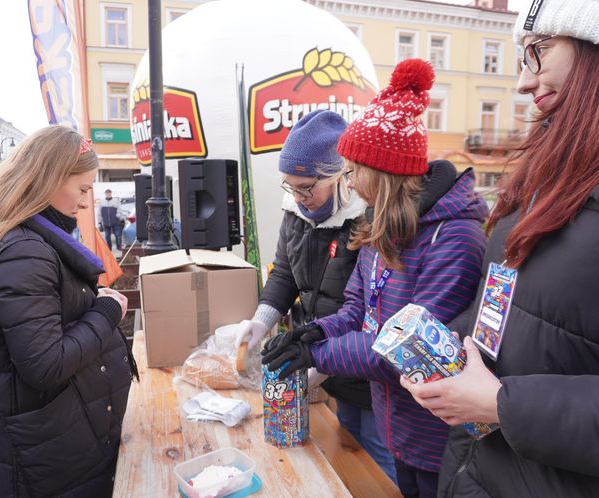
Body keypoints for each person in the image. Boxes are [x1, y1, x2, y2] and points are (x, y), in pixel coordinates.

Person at [262, 59, 488, 498]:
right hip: (396, 424)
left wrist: (316, 354)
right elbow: (354, 310)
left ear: (380, 171)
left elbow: (403, 349)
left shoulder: (454, 237)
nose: (351, 182)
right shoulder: (381, 228)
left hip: (440, 437)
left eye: (352, 171)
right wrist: (310, 333)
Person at [400, 2, 599, 496]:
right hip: (478, 468)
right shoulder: (543, 179)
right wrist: (444, 348)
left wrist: (502, 404)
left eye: (538, 52)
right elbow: (511, 310)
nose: (522, 84)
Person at [0, 126, 138, 496]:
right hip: (25, 458)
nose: (84, 200)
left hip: (25, 442)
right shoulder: (24, 251)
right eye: (81, 189)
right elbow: (45, 364)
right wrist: (106, 310)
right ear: (49, 180)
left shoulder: (20, 238)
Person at [234, 109, 397, 482]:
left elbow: (360, 308)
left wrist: (321, 363)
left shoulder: (364, 221)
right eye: (291, 186)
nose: (300, 196)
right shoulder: (295, 213)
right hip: (318, 349)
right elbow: (285, 274)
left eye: (307, 186)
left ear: (339, 176)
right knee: (340, 445)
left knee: (372, 455)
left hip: (360, 365)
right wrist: (262, 320)